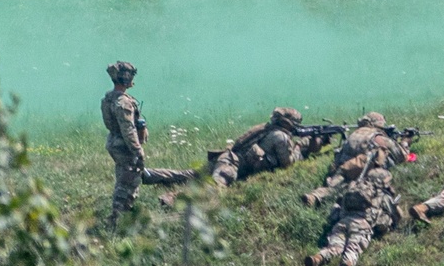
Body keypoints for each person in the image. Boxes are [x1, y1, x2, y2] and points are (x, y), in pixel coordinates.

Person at [143, 107, 326, 203]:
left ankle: (149, 174)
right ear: (289, 123)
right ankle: (172, 198)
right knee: (214, 188)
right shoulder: (280, 137)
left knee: (189, 175)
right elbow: (288, 164)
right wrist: (305, 148)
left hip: (226, 158)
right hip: (231, 166)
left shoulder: (265, 128)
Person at [303, 167, 402, 266]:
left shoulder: (353, 187)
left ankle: (318, 258)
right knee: (353, 249)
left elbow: (337, 206)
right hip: (361, 226)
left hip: (342, 222)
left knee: (334, 247)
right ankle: (346, 264)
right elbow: (397, 217)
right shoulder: (383, 196)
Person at [303, 112, 410, 208]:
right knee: (351, 189)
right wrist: (405, 142)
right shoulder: (377, 137)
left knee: (332, 187)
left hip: (344, 168)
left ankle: (314, 196)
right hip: (363, 171)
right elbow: (401, 156)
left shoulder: (353, 135)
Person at [101, 61, 145, 229]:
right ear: (125, 77)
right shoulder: (124, 102)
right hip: (125, 146)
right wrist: (137, 150)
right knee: (129, 182)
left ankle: (118, 217)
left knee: (122, 178)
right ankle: (119, 219)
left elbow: (109, 123)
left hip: (114, 142)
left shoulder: (108, 98)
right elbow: (128, 129)